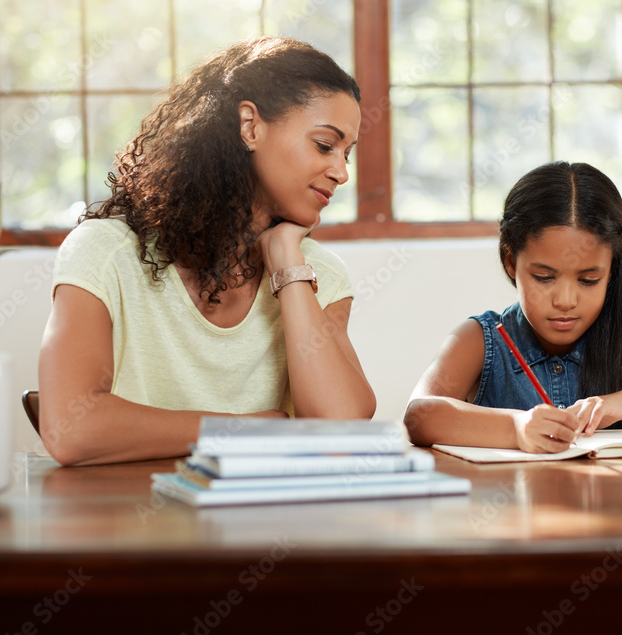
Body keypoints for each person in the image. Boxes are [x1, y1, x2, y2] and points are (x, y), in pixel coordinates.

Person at [38, 37, 376, 466]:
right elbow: (71, 430)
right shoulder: (106, 253)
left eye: (348, 154)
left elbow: (341, 430)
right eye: (325, 145)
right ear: (250, 126)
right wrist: (249, 429)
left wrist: (288, 264)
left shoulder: (319, 275)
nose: (342, 172)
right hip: (129, 523)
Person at [404, 161, 622, 453]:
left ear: (611, 272)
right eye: (544, 277)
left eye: (588, 280)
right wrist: (514, 428)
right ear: (511, 262)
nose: (566, 300)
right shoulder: (482, 340)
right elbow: (419, 415)